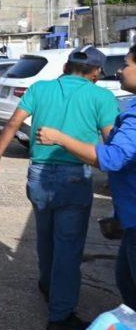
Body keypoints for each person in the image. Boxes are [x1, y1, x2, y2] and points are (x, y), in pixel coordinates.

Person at [0, 45, 117, 330]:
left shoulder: (40, 88)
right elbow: (111, 143)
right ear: (95, 72)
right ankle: (60, 314)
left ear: (67, 66)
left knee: (45, 236)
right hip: (74, 177)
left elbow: (13, 123)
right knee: (68, 247)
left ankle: (48, 285)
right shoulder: (102, 97)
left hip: (39, 174)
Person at [36, 44, 136, 312]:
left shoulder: (43, 88)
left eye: (126, 64)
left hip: (47, 174)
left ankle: (55, 301)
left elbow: (113, 157)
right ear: (94, 71)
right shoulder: (110, 100)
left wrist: (60, 138)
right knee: (123, 281)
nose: (119, 71)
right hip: (127, 215)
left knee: (51, 242)